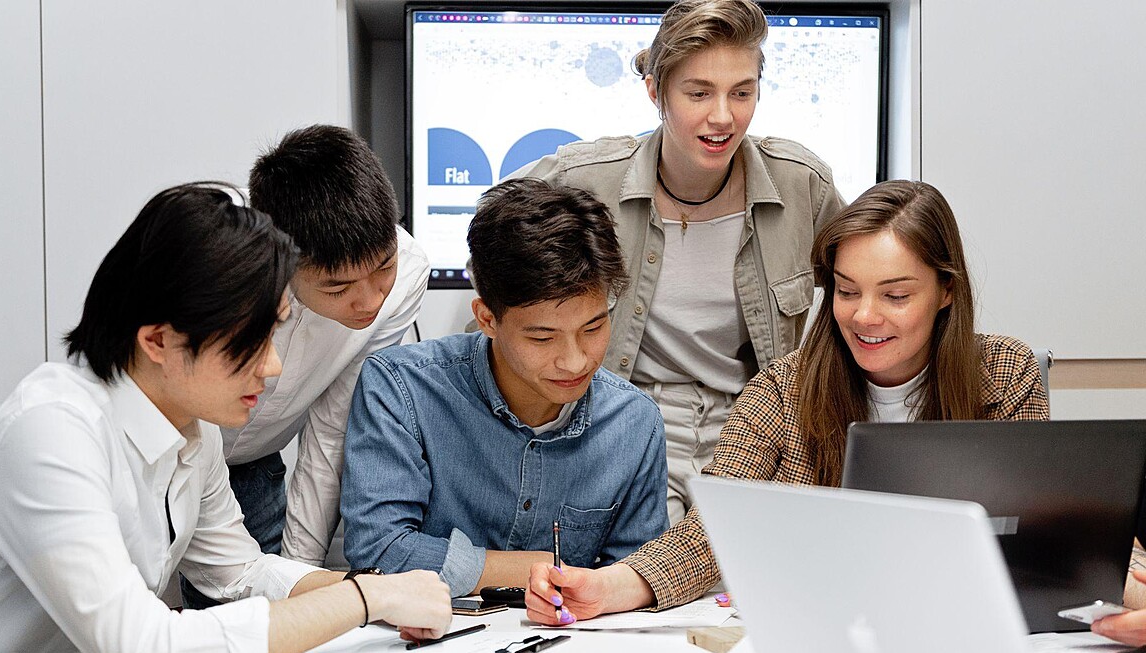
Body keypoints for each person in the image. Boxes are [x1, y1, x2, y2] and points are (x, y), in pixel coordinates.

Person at [0, 184, 450, 653]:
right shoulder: (52, 432)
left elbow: (240, 572)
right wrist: (364, 598)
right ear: (158, 341)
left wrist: (383, 591)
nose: (273, 366)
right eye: (251, 343)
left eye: (273, 335)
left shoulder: (192, 429)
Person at [521, 179, 1050, 624]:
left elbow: (1045, 532)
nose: (865, 316)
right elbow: (709, 535)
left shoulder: (1005, 374)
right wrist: (608, 587)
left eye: (895, 295)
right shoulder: (782, 389)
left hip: (967, 625)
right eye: (846, 291)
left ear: (946, 290)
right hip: (829, 634)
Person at [514, 0, 846, 525]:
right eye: (699, 93)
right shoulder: (584, 178)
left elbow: (862, 290)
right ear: (656, 91)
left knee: (755, 563)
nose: (723, 117)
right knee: (653, 561)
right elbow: (492, 252)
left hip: (753, 426)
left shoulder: (801, 184)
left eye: (742, 92)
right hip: (627, 422)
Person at [339, 178, 669, 598]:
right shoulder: (402, 390)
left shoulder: (634, 423)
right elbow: (379, 552)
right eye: (542, 337)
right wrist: (543, 569)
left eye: (593, 328)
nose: (575, 361)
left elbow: (636, 578)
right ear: (487, 319)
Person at [182, 125, 429, 611]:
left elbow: (332, 429)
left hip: (255, 464)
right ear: (282, 258)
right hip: (175, 452)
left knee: (251, 604)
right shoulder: (223, 269)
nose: (370, 301)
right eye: (338, 287)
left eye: (384, 267)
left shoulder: (409, 273)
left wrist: (305, 583)